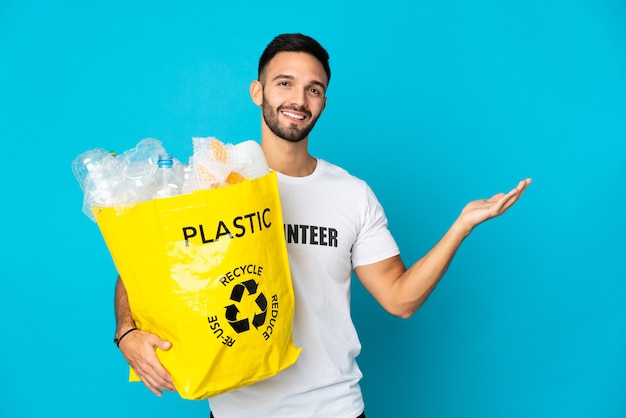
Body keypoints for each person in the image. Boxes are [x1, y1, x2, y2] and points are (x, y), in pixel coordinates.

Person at [113, 33, 531, 417]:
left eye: (313, 89)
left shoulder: (351, 194)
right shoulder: (213, 182)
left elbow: (400, 300)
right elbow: (143, 267)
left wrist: (461, 226)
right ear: (257, 91)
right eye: (284, 83)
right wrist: (126, 331)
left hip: (334, 407)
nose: (299, 98)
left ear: (324, 101)